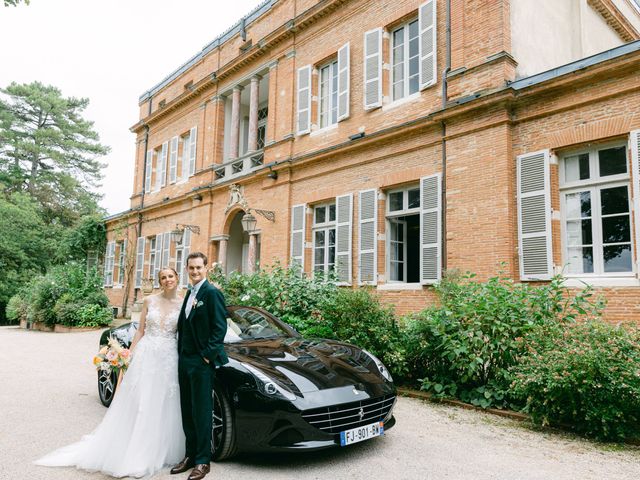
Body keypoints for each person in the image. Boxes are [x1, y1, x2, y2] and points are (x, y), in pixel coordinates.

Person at [35, 267, 186, 478]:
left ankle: (161, 448)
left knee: (164, 403)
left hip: (169, 357)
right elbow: (141, 330)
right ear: (160, 281)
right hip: (147, 355)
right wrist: (129, 354)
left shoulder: (184, 303)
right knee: (141, 403)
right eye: (163, 277)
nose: (167, 280)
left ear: (177, 278)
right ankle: (135, 452)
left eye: (170, 276)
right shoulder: (149, 301)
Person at [170, 252, 228, 480]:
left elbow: (219, 328)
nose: (195, 272)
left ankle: (203, 462)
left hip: (201, 362)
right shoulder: (189, 293)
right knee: (187, 410)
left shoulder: (212, 293)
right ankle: (190, 455)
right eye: (191, 268)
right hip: (184, 360)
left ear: (206, 269)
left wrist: (206, 356)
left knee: (202, 412)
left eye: (198, 268)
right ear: (187, 269)